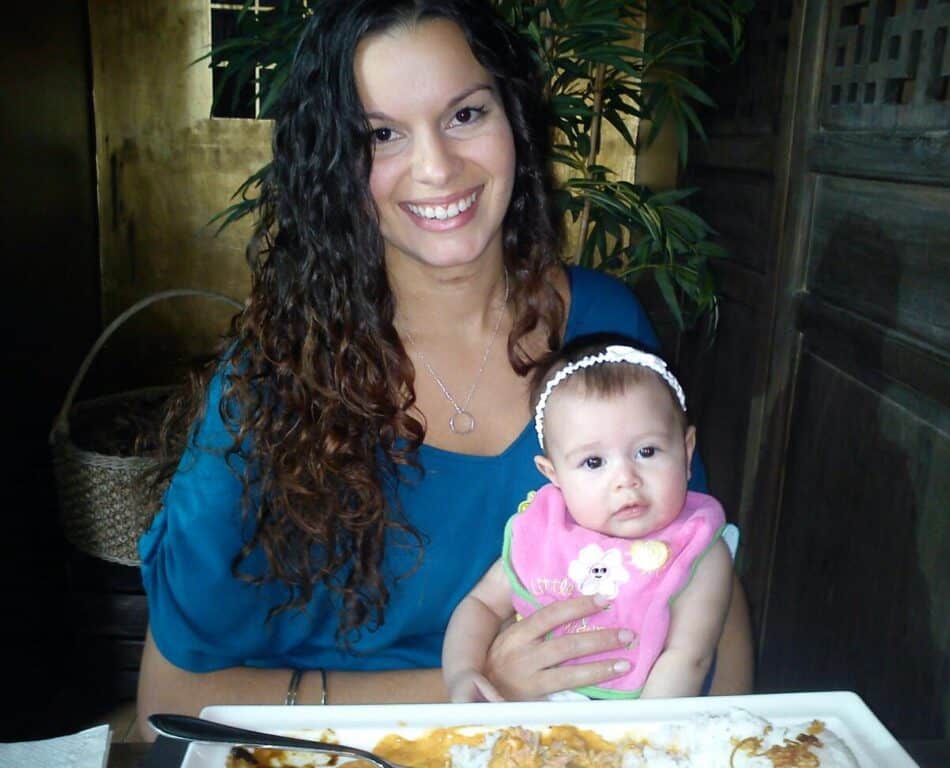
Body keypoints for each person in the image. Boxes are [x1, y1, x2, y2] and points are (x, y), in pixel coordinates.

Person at [136, 0, 752, 735]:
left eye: (465, 115)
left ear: (515, 122)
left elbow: (700, 571)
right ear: (334, 165)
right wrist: (477, 686)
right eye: (382, 135)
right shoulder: (269, 381)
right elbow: (168, 700)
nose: (436, 167)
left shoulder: (607, 327)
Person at [443, 339, 733, 701]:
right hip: (524, 715)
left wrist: (638, 743)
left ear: (686, 452)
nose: (626, 478)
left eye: (647, 451)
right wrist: (463, 672)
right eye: (593, 462)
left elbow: (688, 658)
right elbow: (481, 605)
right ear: (554, 475)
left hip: (639, 720)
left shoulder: (696, 550)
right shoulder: (544, 534)